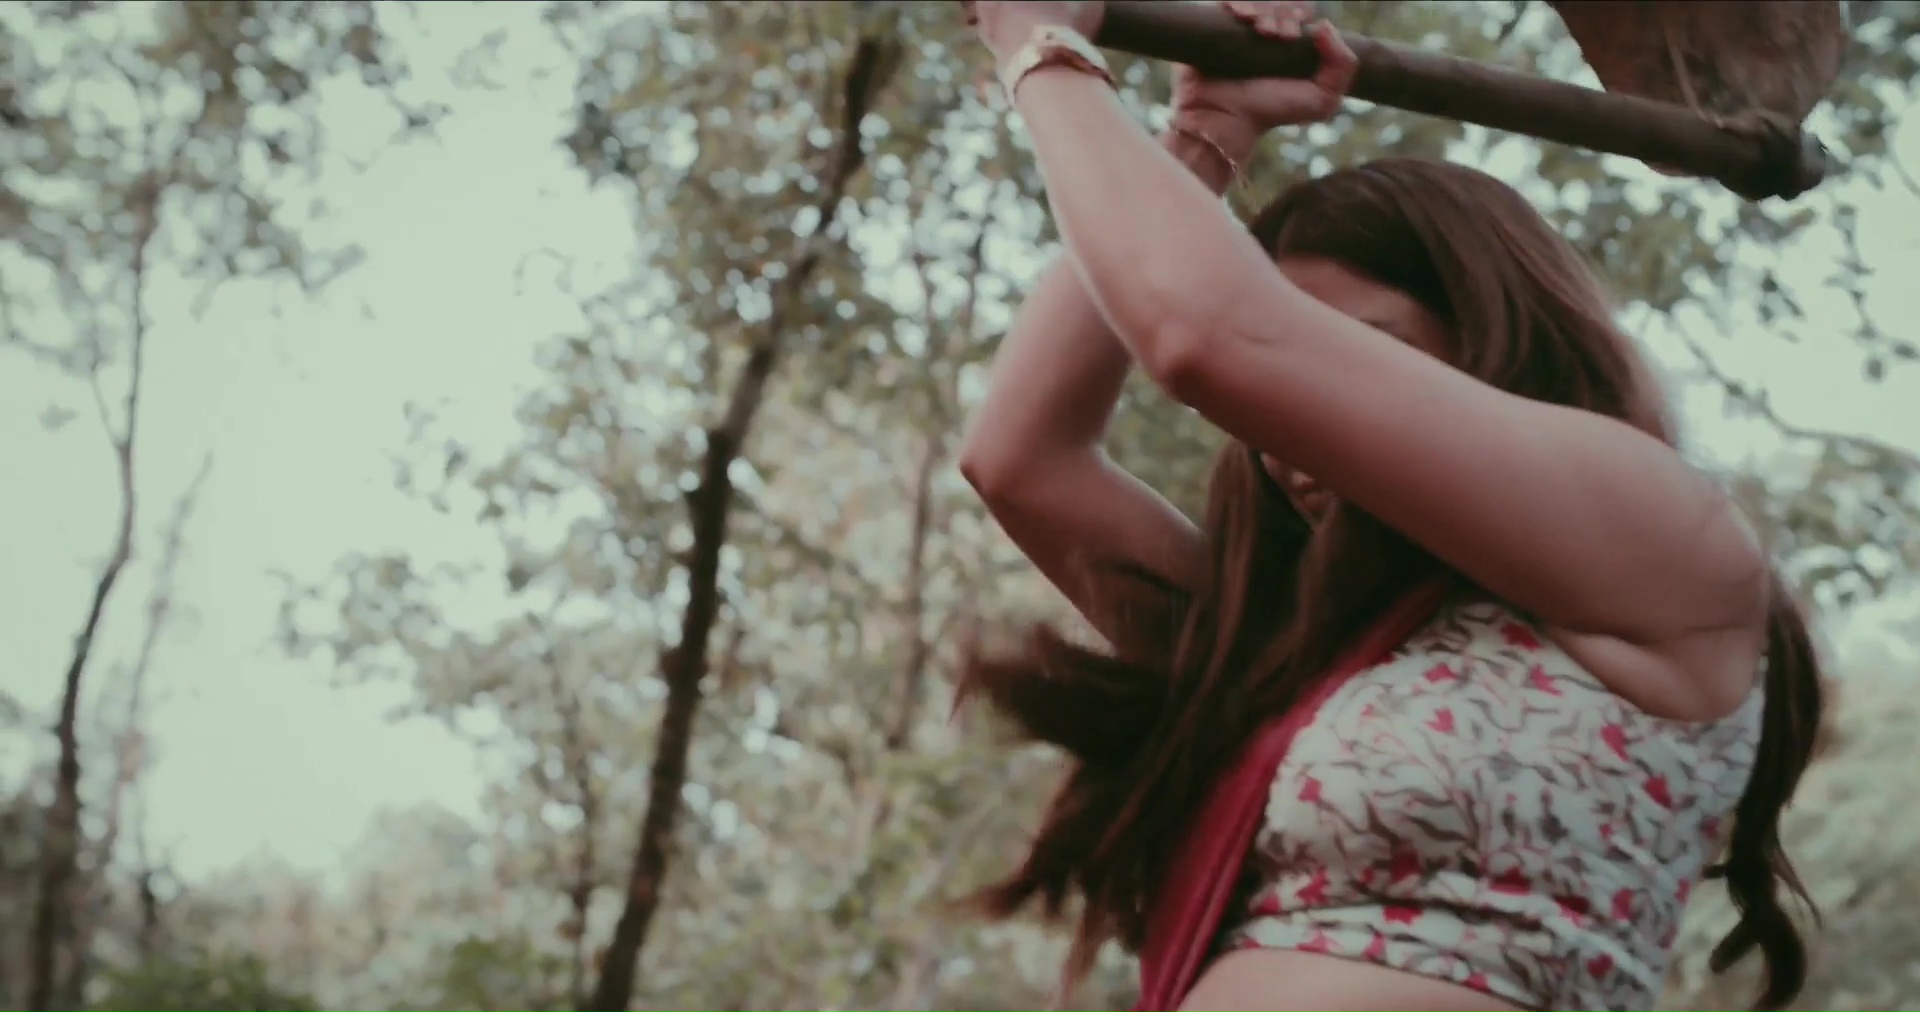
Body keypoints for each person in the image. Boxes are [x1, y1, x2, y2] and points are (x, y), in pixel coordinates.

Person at [950, 2, 1827, 1011]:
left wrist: (1043, 46)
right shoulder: (1290, 652)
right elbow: (1022, 460)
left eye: (1365, 352)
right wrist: (1207, 133)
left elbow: (1209, 337)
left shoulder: (1664, 540)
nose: (1298, 422)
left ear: (1493, 332)